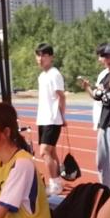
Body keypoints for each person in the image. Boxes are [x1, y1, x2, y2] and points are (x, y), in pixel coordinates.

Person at [81, 43, 110, 191]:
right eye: (106, 57)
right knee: (102, 162)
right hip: (104, 122)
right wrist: (87, 88)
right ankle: (105, 191)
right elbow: (99, 96)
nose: (108, 60)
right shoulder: (105, 75)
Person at [34, 43, 66, 196]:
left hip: (52, 119)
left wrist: (62, 116)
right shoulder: (42, 76)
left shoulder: (55, 74)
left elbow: (61, 96)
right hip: (43, 118)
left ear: (51, 57)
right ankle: (58, 181)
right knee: (51, 153)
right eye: (38, 55)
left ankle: (54, 183)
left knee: (44, 152)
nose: (40, 59)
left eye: (44, 56)